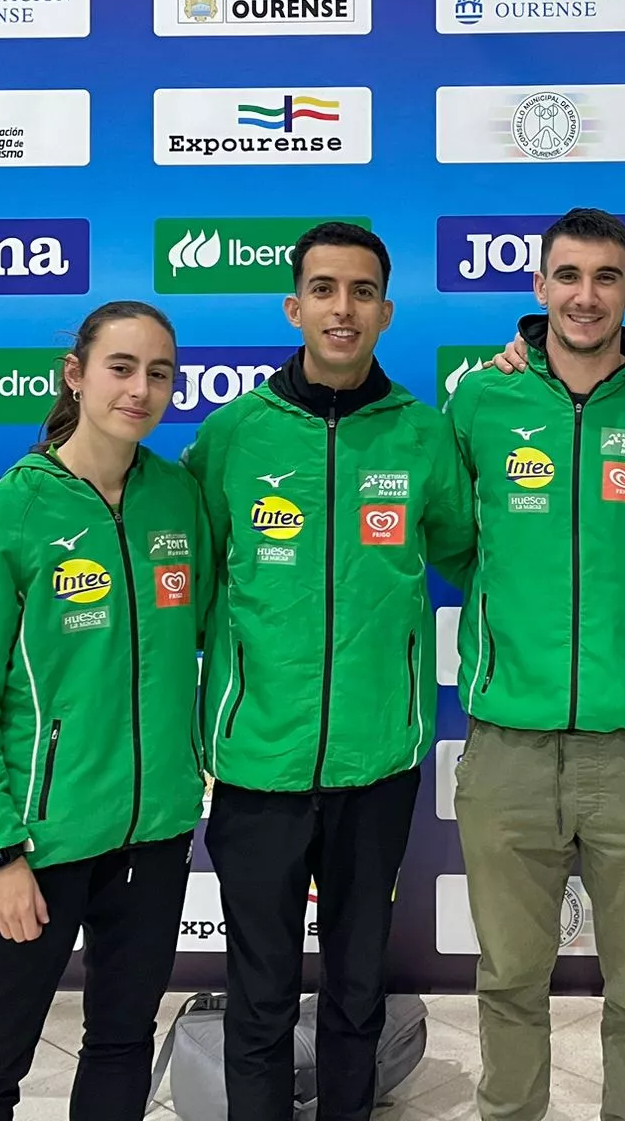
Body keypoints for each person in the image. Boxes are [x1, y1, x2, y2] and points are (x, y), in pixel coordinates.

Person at [184, 222, 475, 1121]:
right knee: (260, 991)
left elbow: (466, 552)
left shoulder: (423, 438)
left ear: (386, 310)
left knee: (357, 986)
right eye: (323, 289)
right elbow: (192, 584)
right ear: (294, 306)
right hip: (256, 765)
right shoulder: (234, 436)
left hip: (375, 762)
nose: (341, 309)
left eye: (359, 292)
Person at [449, 207, 625, 1121]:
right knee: (508, 981)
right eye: (568, 275)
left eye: (607, 277)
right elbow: (453, 541)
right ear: (539, 287)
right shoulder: (481, 401)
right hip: (507, 747)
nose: (586, 295)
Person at [0, 300, 208, 1121]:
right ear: (77, 374)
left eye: (159, 373)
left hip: (153, 837)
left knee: (122, 1045)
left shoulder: (178, 499)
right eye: (121, 368)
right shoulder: (10, 512)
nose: (141, 388)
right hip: (37, 848)